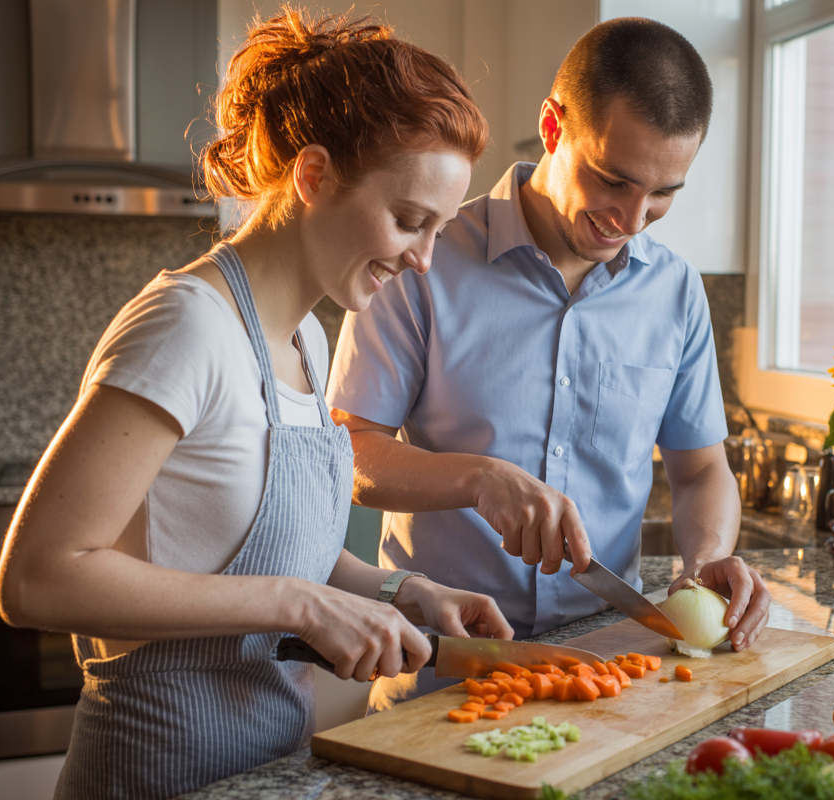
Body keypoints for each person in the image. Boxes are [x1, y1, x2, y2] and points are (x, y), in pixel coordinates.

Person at [0, 9, 512, 798]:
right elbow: (36, 577)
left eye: (437, 229)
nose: (422, 259)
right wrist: (299, 606)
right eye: (409, 221)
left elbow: (256, 550)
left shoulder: (302, 334)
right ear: (313, 176)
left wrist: (400, 591)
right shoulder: (187, 326)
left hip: (264, 770)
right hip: (152, 773)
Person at [328, 16, 772, 712]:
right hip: (445, 666)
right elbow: (349, 455)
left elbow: (702, 470)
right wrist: (479, 479)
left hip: (606, 668)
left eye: (662, 194)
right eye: (613, 181)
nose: (632, 217)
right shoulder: (422, 256)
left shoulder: (675, 289)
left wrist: (704, 563)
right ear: (553, 127)